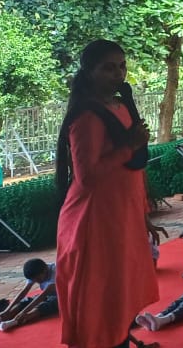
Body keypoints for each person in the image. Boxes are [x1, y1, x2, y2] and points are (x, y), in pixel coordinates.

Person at [54, 40, 163, 348]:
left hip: (121, 216)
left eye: (122, 66)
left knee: (120, 297)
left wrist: (143, 214)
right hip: (95, 220)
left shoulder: (121, 107)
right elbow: (87, 177)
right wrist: (129, 146)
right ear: (89, 72)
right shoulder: (87, 117)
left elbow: (134, 170)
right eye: (108, 68)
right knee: (101, 303)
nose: (118, 74)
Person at [0, 258, 58, 332]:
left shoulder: (56, 271)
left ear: (45, 270)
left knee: (44, 305)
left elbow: (43, 295)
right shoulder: (35, 272)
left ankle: (14, 322)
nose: (37, 281)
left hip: (60, 297)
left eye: (38, 279)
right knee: (25, 301)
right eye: (34, 280)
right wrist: (7, 310)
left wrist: (24, 312)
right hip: (48, 294)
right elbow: (24, 291)